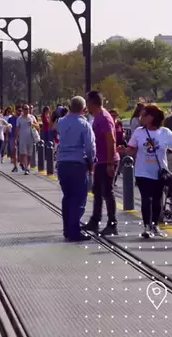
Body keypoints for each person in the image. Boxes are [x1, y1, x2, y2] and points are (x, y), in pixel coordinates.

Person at [119, 104, 172, 238]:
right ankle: (147, 226)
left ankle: (155, 225)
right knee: (146, 198)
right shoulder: (139, 132)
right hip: (142, 171)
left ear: (151, 117)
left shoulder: (165, 132)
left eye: (144, 115)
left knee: (157, 199)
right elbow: (132, 150)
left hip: (159, 171)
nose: (141, 118)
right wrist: (124, 150)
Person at [56, 96, 96, 242]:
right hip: (77, 163)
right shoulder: (84, 124)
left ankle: (67, 229)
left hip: (62, 163)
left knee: (67, 196)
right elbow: (90, 147)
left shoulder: (61, 122)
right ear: (84, 109)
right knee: (78, 198)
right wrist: (91, 161)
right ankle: (74, 231)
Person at [82, 91, 119, 236]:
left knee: (107, 193)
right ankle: (95, 220)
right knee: (97, 192)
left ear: (92, 103)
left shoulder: (104, 118)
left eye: (87, 102)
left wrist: (110, 163)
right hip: (100, 160)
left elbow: (111, 141)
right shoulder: (97, 117)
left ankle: (112, 224)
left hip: (107, 161)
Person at [15, 104, 39, 175]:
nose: (27, 110)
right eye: (25, 109)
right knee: (24, 153)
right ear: (22, 110)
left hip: (30, 138)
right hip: (22, 138)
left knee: (29, 154)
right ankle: (26, 168)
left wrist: (33, 124)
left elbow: (37, 126)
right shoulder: (19, 119)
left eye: (28, 109)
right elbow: (17, 129)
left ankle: (26, 165)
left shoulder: (32, 117)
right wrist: (16, 139)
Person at [8, 106, 22, 172]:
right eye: (18, 110)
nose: (20, 112)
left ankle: (22, 163)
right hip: (13, 137)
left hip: (21, 137)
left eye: (21, 111)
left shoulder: (22, 118)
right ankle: (15, 166)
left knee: (22, 152)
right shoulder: (11, 119)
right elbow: (8, 128)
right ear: (15, 111)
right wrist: (7, 136)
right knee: (14, 152)